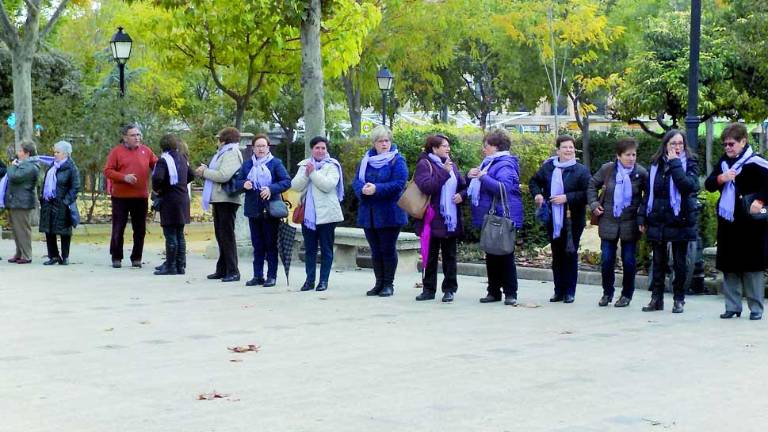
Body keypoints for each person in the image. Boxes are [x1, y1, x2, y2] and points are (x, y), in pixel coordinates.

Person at [705, 123, 768, 320]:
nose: (727, 148)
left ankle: (756, 308)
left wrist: (760, 200)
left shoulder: (757, 162)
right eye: (725, 144)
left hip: (751, 224)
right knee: (729, 265)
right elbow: (709, 184)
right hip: (728, 222)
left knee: (752, 267)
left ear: (743, 142)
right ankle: (732, 306)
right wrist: (721, 179)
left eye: (731, 144)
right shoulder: (724, 163)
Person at [641, 130, 700, 314]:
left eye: (680, 144)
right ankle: (656, 299)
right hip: (658, 218)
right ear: (665, 144)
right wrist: (642, 216)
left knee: (680, 262)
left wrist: (675, 164)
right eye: (673, 143)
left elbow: (688, 186)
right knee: (658, 261)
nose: (676, 147)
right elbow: (649, 193)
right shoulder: (655, 164)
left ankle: (678, 299)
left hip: (680, 219)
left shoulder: (690, 163)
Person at [587, 138, 648, 307]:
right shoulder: (608, 169)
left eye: (634, 155)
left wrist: (641, 215)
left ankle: (627, 294)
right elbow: (592, 185)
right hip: (608, 220)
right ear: (618, 155)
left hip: (630, 222)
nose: (631, 158)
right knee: (607, 260)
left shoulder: (641, 173)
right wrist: (593, 204)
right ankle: (607, 293)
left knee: (629, 261)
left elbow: (648, 196)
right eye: (627, 155)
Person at [530, 135, 591, 304]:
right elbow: (534, 182)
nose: (568, 150)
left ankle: (570, 291)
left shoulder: (581, 170)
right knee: (557, 255)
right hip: (552, 218)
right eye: (565, 147)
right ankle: (559, 290)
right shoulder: (548, 167)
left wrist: (567, 197)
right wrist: (538, 194)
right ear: (558, 150)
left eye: (571, 147)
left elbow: (587, 193)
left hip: (573, 220)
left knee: (570, 254)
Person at [467, 130, 523, 305]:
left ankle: (510, 293)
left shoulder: (504, 164)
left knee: (505, 254)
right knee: (491, 254)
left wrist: (483, 177)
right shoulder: (490, 163)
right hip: (492, 216)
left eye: (487, 146)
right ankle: (493, 291)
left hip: (503, 216)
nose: (484, 149)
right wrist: (471, 177)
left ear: (496, 147)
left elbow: (503, 188)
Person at [352, 125, 408, 297]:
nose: (384, 144)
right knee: (375, 250)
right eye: (380, 141)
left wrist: (377, 188)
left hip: (389, 213)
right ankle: (378, 283)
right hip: (369, 213)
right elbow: (356, 181)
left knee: (387, 249)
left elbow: (399, 183)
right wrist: (363, 189)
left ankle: (388, 284)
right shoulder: (366, 160)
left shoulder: (397, 160)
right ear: (374, 143)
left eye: (387, 140)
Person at [411, 134, 467, 302]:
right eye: (444, 146)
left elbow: (463, 186)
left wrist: (461, 196)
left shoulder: (451, 164)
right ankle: (428, 289)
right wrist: (444, 172)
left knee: (450, 256)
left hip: (450, 219)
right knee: (430, 255)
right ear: (434, 148)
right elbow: (427, 187)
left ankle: (449, 289)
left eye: (448, 146)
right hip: (432, 218)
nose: (447, 149)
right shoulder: (424, 164)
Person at [235, 134, 291, 287]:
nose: (260, 149)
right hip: (253, 209)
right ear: (253, 148)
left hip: (270, 209)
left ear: (268, 148)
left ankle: (271, 276)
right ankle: (257, 275)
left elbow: (286, 181)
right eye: (258, 146)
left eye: (263, 146)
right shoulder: (247, 165)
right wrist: (243, 184)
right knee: (257, 244)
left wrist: (271, 189)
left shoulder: (275, 163)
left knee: (270, 244)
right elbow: (237, 182)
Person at [291, 136, 345, 292]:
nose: (320, 151)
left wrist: (313, 173)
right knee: (310, 249)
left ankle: (323, 281)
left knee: (326, 249)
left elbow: (328, 186)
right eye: (317, 148)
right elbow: (295, 186)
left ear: (327, 150)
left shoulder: (332, 165)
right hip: (308, 216)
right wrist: (306, 173)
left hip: (327, 215)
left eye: (323, 148)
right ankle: (309, 280)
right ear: (312, 149)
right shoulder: (304, 165)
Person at [103, 124, 158, 268]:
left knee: (139, 229)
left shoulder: (146, 151)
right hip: (120, 197)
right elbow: (108, 171)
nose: (137, 138)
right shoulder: (116, 152)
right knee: (118, 227)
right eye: (133, 135)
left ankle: (137, 257)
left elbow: (157, 166)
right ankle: (116, 257)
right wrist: (123, 177)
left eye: (138, 135)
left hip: (140, 196)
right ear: (125, 137)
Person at [197, 127, 244, 283]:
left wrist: (205, 172)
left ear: (224, 140)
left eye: (219, 139)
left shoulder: (231, 153)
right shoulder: (225, 152)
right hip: (220, 199)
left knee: (227, 235)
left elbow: (224, 175)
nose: (217, 142)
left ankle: (233, 270)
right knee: (221, 235)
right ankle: (222, 268)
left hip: (227, 199)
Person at [152, 134, 193, 276]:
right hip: (183, 198)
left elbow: (157, 177)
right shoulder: (183, 158)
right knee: (179, 233)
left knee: (170, 234)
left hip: (170, 200)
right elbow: (191, 175)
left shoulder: (164, 160)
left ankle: (170, 266)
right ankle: (180, 265)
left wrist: (158, 189)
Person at [39, 141, 81, 266]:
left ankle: (65, 256)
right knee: (49, 230)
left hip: (63, 204)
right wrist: (42, 197)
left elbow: (75, 187)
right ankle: (53, 256)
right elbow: (45, 183)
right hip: (49, 202)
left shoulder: (71, 168)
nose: (55, 154)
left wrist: (66, 201)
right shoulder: (52, 166)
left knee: (64, 231)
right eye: (54, 152)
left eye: (58, 152)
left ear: (66, 154)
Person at [1, 141, 40, 264]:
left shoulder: (30, 166)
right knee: (16, 230)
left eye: (20, 151)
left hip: (22, 202)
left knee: (23, 229)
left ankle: (27, 255)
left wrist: (12, 165)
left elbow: (14, 176)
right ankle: (19, 252)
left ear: (27, 153)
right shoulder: (23, 164)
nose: (18, 154)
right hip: (15, 201)